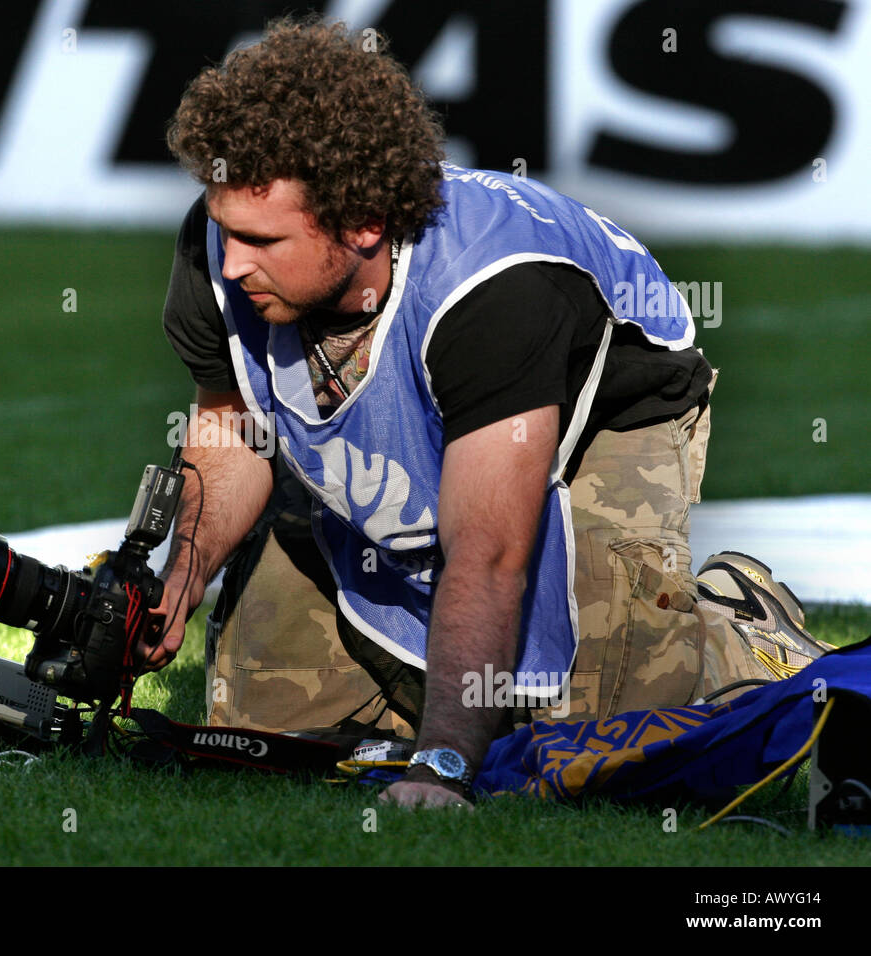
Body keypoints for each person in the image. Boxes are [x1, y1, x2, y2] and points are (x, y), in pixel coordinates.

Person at [138, 16, 826, 808]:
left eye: (261, 238)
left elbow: (489, 553)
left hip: (604, 419)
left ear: (365, 223)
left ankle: (733, 628)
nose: (228, 262)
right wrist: (174, 579)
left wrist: (443, 767)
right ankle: (432, 684)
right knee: (265, 721)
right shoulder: (220, 249)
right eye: (224, 229)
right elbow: (232, 431)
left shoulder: (493, 291)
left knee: (593, 736)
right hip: (446, 412)